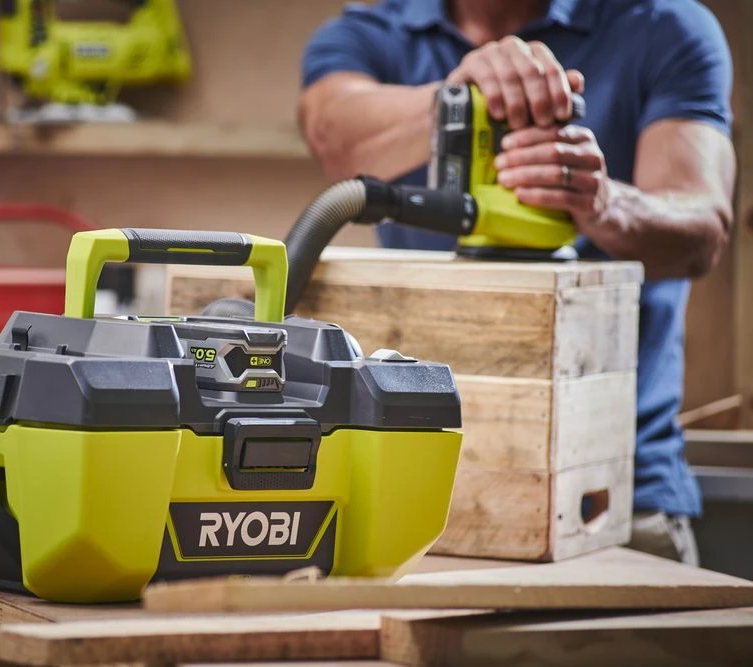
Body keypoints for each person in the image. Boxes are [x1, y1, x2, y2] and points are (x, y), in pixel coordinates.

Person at [298, 0, 736, 565]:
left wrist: (604, 204)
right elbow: (332, 133)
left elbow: (703, 229)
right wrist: (458, 100)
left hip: (616, 502)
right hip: (405, 491)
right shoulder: (372, 30)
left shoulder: (664, 25)